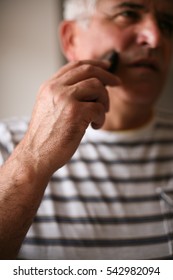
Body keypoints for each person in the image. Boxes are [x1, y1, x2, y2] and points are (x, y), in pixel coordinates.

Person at [0, 0, 173, 260]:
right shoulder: (5, 144)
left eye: (167, 24)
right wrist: (32, 160)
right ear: (71, 39)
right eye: (128, 14)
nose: (155, 38)